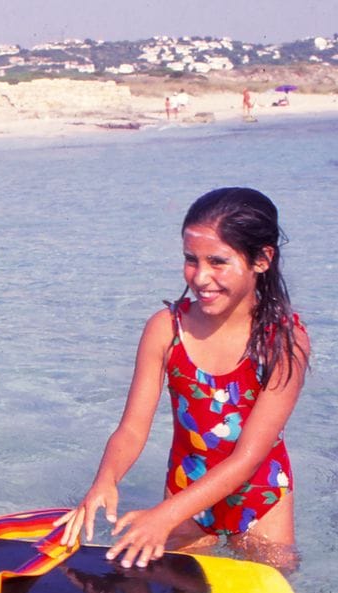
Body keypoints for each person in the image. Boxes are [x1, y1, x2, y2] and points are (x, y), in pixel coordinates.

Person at [57, 187, 310, 572]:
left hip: (260, 498)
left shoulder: (284, 341)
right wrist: (104, 480)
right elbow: (131, 429)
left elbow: (247, 459)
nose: (201, 276)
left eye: (218, 261)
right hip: (186, 492)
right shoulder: (166, 330)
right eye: (191, 260)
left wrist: (163, 516)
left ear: (262, 259)